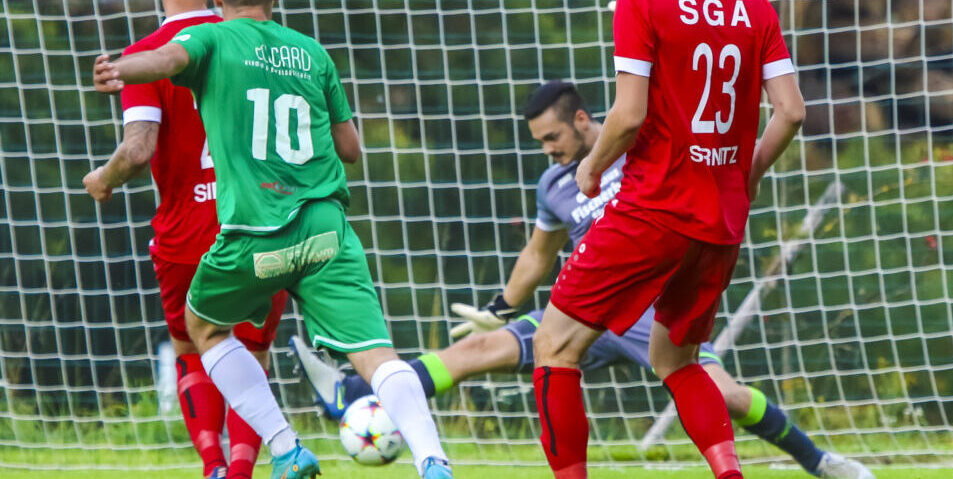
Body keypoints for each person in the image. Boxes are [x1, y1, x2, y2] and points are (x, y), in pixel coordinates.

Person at [289, 81, 872, 479]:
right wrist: (502, 303)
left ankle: (817, 460)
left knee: (722, 393)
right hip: (583, 307)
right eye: (540, 142)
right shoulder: (553, 187)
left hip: (649, 307)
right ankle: (356, 392)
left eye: (553, 138)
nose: (548, 151)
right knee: (475, 350)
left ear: (585, 121)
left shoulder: (639, 149)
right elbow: (538, 255)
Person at [92, 0, 452, 479]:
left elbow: (167, 59)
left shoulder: (210, 36)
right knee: (376, 354)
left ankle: (285, 448)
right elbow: (351, 149)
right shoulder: (313, 53)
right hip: (326, 232)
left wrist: (122, 67)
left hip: (254, 237)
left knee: (204, 330)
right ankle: (434, 462)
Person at [530, 0, 808, 478]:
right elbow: (792, 111)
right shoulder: (756, 8)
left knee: (555, 347)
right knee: (676, 359)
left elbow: (629, 115)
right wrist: (747, 173)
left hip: (652, 210)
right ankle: (730, 473)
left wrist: (592, 166)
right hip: (720, 221)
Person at [81, 0, 286, 479]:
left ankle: (214, 465)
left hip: (185, 233)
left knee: (194, 349)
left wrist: (102, 178)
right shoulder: (255, 46)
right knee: (250, 352)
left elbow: (140, 148)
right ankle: (244, 469)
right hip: (256, 223)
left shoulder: (147, 54)